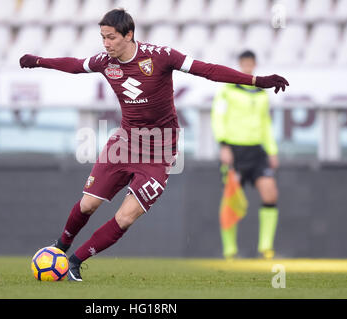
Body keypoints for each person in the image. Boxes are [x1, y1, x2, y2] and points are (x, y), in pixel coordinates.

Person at [20, 9, 289, 281]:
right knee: (88, 204)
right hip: (124, 143)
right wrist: (39, 61)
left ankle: (76, 261)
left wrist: (256, 81)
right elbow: (76, 65)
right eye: (102, 37)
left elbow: (207, 70)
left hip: (160, 151)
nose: (106, 44)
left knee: (126, 217)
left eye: (111, 38)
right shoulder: (105, 61)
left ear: (129, 35)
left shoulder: (160, 56)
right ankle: (60, 248)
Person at [211, 50, 280, 259]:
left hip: (257, 150)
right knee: (231, 199)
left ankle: (266, 247)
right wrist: (223, 145)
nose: (248, 66)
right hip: (235, 150)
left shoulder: (262, 93)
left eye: (251, 63)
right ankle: (230, 249)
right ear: (240, 65)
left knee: (270, 193)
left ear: (255, 65)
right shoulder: (227, 90)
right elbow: (218, 117)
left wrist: (272, 150)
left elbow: (266, 124)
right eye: (244, 63)